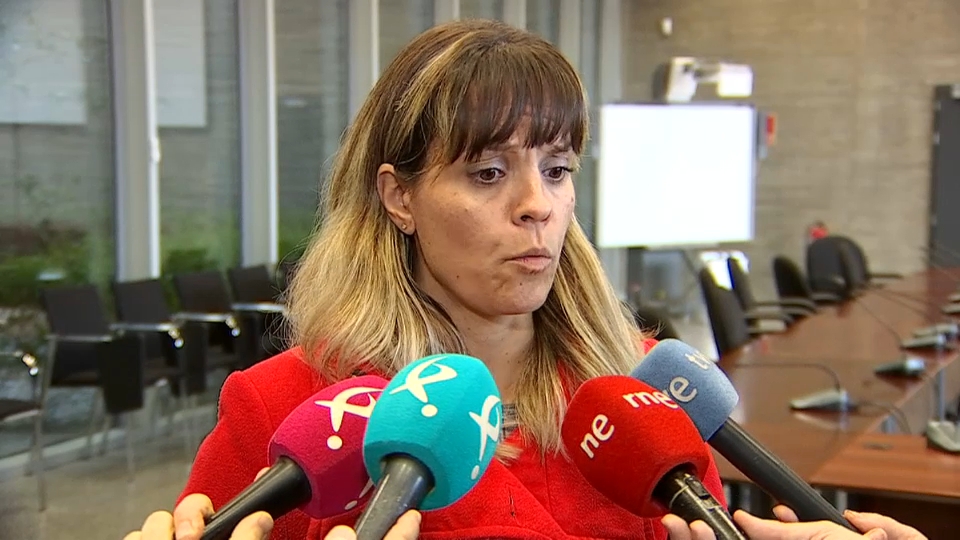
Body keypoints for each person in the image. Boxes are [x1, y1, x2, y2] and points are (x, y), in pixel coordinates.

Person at [125, 20, 925, 540]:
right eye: (487, 172)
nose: (537, 205)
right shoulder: (287, 409)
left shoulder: (638, 400)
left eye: (557, 168)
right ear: (399, 197)